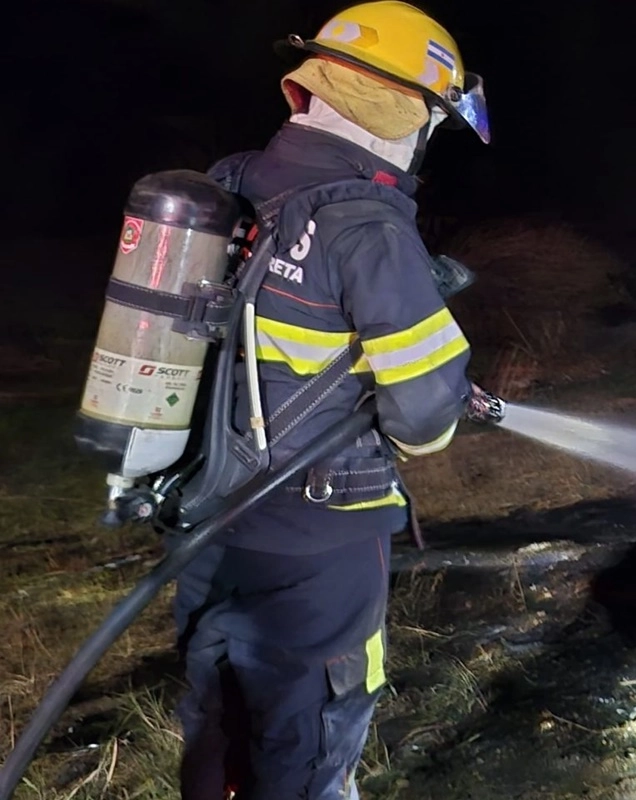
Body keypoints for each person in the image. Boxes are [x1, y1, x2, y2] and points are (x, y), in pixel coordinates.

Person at [170, 4, 491, 798]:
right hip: (319, 540)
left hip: (204, 521)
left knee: (219, 726)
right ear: (407, 111)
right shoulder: (367, 223)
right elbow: (424, 418)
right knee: (309, 742)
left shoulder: (232, 186)